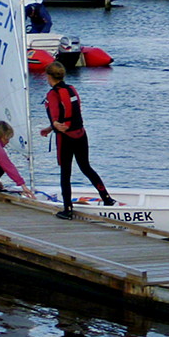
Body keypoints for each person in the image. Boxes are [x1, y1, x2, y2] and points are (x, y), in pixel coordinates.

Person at [40, 62, 114, 219]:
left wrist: (53, 125)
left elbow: (56, 117)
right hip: (80, 134)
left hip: (66, 138)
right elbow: (70, 115)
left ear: (49, 76)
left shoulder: (53, 94)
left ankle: (67, 209)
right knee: (86, 167)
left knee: (65, 173)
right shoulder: (71, 89)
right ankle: (107, 198)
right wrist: (50, 128)